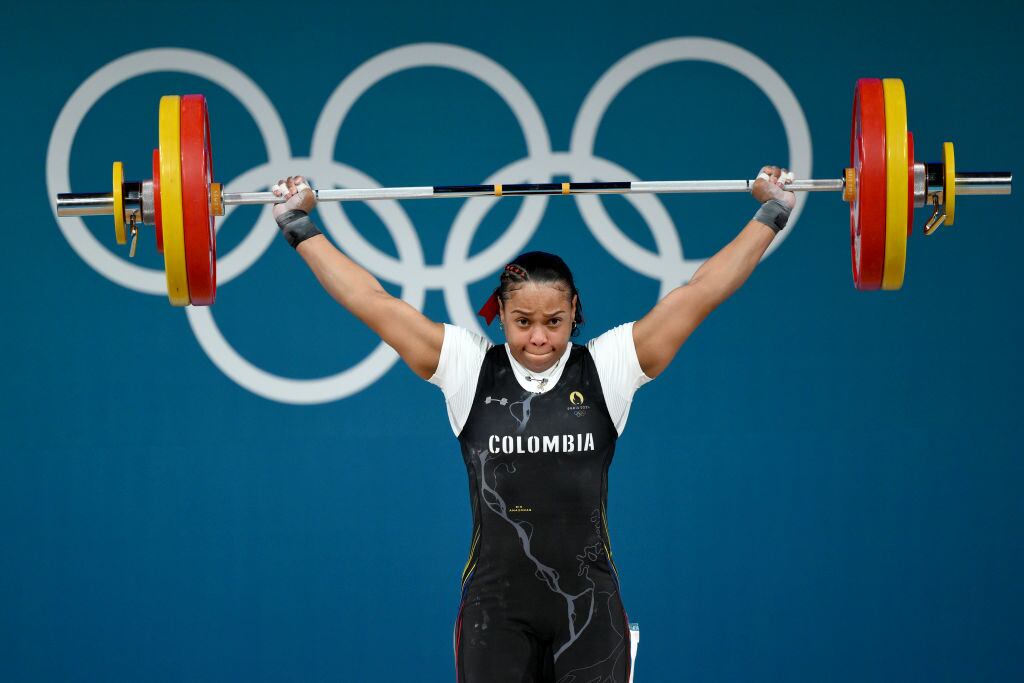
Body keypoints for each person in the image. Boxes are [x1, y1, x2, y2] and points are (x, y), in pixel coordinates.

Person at [271, 167, 796, 683]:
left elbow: (700, 292)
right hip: (495, 613)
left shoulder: (607, 368)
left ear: (575, 312)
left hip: (589, 611)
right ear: (500, 313)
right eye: (523, 322)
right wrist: (299, 227)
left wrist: (770, 214)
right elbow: (373, 302)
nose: (539, 339)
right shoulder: (466, 367)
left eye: (554, 322)